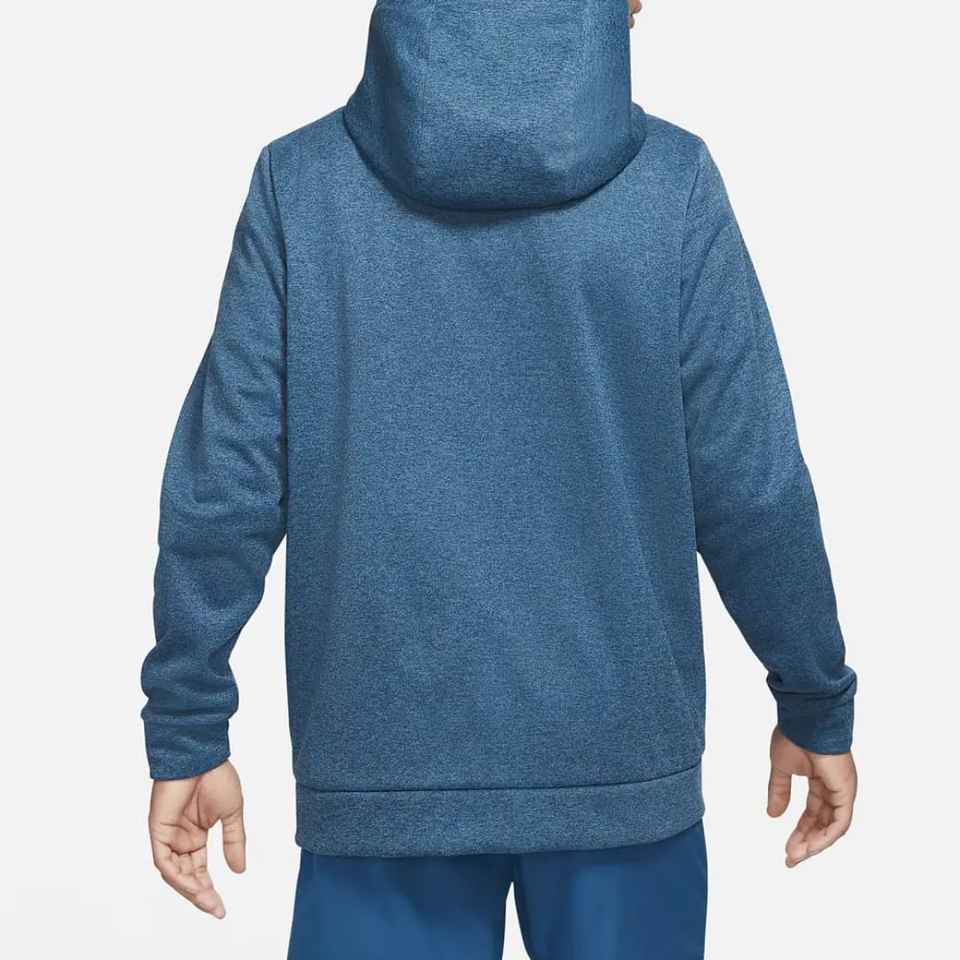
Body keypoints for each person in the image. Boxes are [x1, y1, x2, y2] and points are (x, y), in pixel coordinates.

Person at [142, 1, 858, 956]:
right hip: (616, 767)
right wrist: (813, 696)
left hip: (384, 765)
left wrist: (188, 725)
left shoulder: (304, 185)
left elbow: (224, 487)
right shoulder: (670, 185)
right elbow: (753, 485)